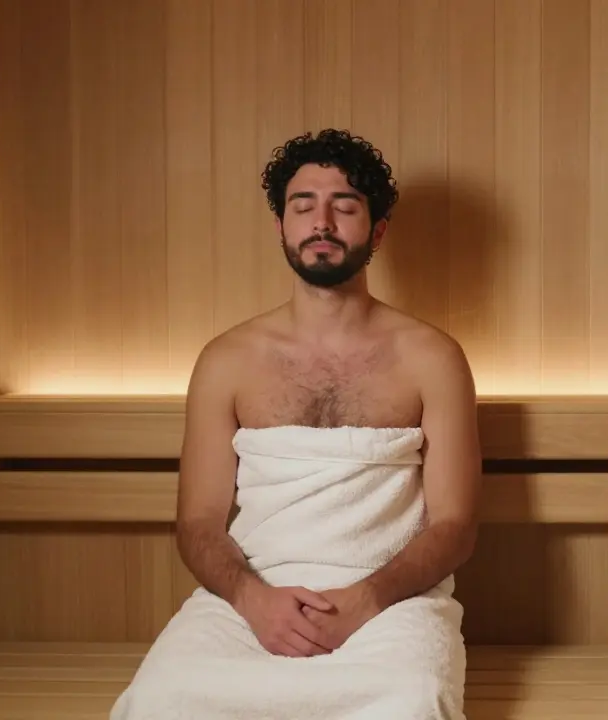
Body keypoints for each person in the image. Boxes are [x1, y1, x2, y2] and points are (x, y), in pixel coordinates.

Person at [111, 129, 481, 720]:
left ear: (377, 231)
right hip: (251, 590)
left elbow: (456, 524)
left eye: (345, 206)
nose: (322, 222)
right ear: (281, 227)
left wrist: (366, 600)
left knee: (412, 702)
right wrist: (253, 600)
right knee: (161, 700)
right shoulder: (227, 360)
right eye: (302, 205)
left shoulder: (431, 358)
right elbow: (198, 521)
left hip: (390, 597)